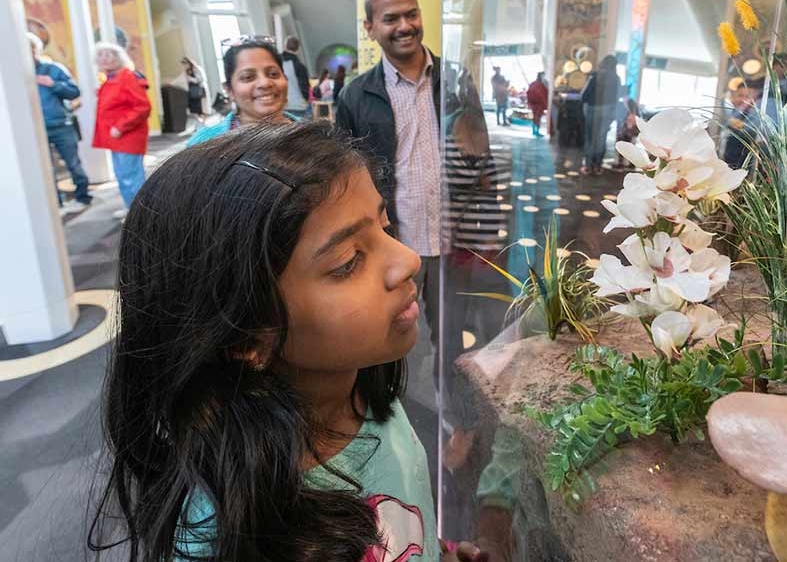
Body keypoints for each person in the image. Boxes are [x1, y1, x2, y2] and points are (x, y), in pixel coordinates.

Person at [88, 122, 487, 562]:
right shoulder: (230, 530)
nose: (408, 259)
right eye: (348, 261)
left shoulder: (366, 393)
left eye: (384, 223)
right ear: (245, 335)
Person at [336, 0, 454, 393]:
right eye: (391, 19)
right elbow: (346, 179)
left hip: (451, 237)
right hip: (391, 241)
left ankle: (453, 410)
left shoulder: (454, 80)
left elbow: (479, 158)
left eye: (412, 14)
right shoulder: (356, 96)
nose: (405, 25)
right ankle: (384, 410)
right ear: (370, 27)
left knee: (451, 333)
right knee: (383, 334)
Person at [186, 37, 297, 147]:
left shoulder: (309, 134)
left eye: (273, 74)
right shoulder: (204, 144)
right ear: (229, 90)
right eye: (248, 77)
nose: (265, 83)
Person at [28, 33, 91, 212]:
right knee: (45, 169)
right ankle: (57, 203)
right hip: (36, 130)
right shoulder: (16, 75)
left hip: (61, 125)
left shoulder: (53, 69)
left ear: (35, 50)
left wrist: (53, 84)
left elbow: (74, 92)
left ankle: (83, 197)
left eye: (30, 49)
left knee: (73, 164)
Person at [93, 41, 150, 218]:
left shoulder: (128, 77)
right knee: (122, 175)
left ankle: (142, 213)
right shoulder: (109, 80)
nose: (104, 58)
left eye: (109, 54)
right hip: (116, 139)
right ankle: (130, 208)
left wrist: (120, 126)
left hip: (128, 136)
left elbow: (142, 106)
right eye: (101, 55)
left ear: (119, 58)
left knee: (131, 176)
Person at [580, 54, 622, 175]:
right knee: (601, 138)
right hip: (608, 110)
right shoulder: (616, 78)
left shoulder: (594, 75)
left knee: (590, 138)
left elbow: (584, 95)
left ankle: (588, 166)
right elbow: (617, 97)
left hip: (592, 109)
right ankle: (597, 166)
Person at [282, 36, 312, 119]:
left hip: (282, 106)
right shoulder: (299, 66)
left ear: (285, 46)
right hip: (299, 106)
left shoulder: (276, 64)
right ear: (298, 49)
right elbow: (305, 87)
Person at [615, 97, 642, 169]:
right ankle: (629, 163)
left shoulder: (629, 106)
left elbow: (630, 120)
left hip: (626, 132)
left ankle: (621, 164)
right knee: (630, 147)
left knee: (623, 147)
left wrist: (627, 126)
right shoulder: (633, 105)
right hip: (630, 132)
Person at [526, 71, 548, 137]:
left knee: (535, 117)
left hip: (533, 104)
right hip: (539, 104)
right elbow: (543, 95)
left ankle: (534, 131)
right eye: (543, 76)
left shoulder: (532, 84)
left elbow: (528, 93)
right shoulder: (541, 85)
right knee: (538, 118)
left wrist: (529, 103)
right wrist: (546, 104)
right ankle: (537, 131)